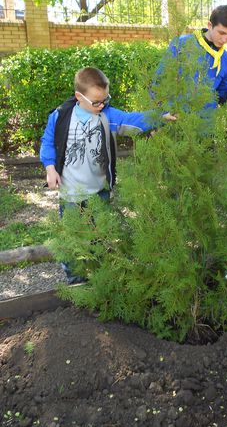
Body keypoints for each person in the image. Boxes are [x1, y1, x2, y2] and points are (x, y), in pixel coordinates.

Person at [40, 66, 175, 281]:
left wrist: (160, 117)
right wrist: (50, 168)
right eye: (96, 102)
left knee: (99, 236)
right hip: (71, 192)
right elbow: (48, 142)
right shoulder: (61, 116)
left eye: (105, 99)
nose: (101, 105)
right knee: (72, 238)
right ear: (78, 96)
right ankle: (76, 281)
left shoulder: (108, 116)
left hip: (99, 190)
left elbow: (133, 120)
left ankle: (99, 278)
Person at [166, 5, 227, 107]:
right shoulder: (182, 44)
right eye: (221, 33)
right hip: (176, 119)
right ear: (210, 25)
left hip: (207, 121)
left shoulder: (226, 59)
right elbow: (160, 81)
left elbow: (223, 98)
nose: (224, 39)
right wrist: (164, 112)